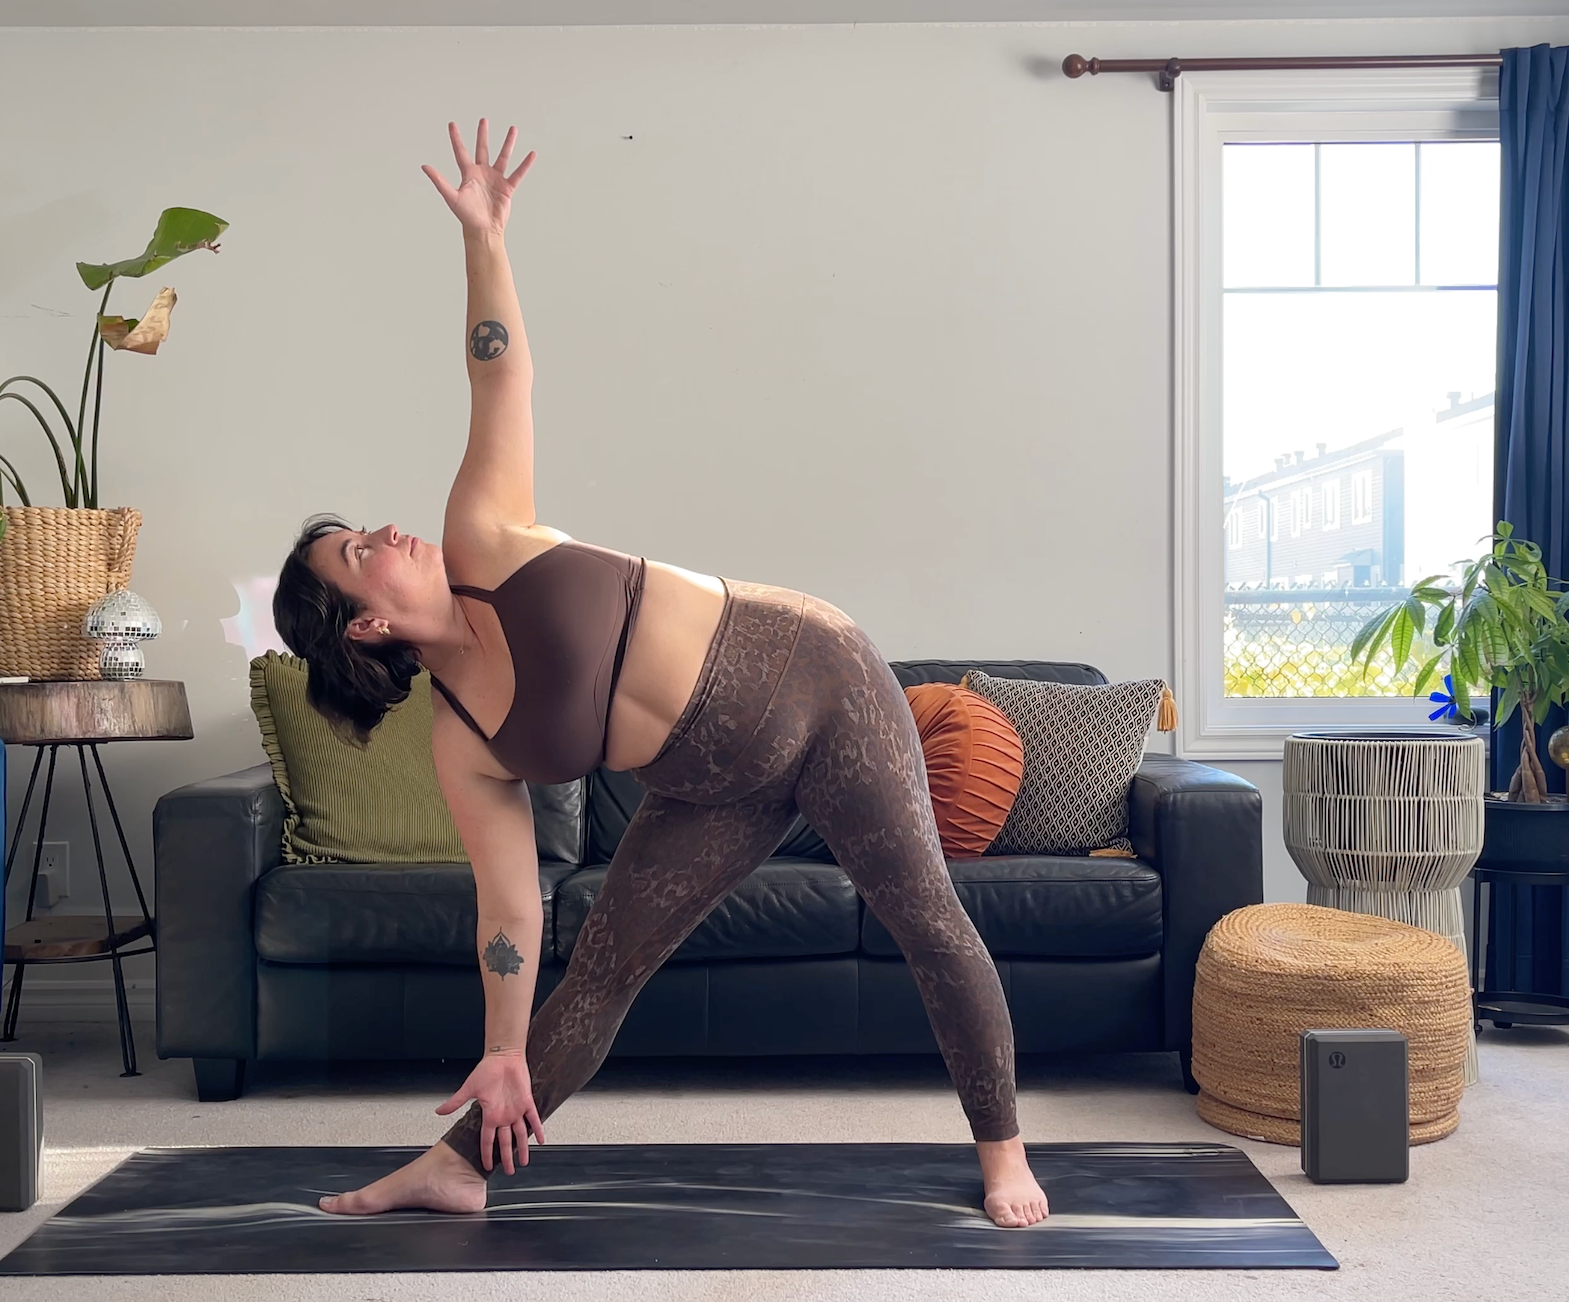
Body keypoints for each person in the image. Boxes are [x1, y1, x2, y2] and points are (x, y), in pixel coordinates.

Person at [273, 121, 1049, 1229]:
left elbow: (501, 373)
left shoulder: (484, 536)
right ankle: (455, 1165)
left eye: (368, 528)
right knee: (600, 971)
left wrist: (484, 240)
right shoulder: (461, 737)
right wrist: (502, 1046)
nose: (388, 532)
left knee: (925, 917)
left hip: (823, 687)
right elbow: (509, 907)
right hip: (709, 785)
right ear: (364, 626)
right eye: (360, 551)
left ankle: (1004, 1152)